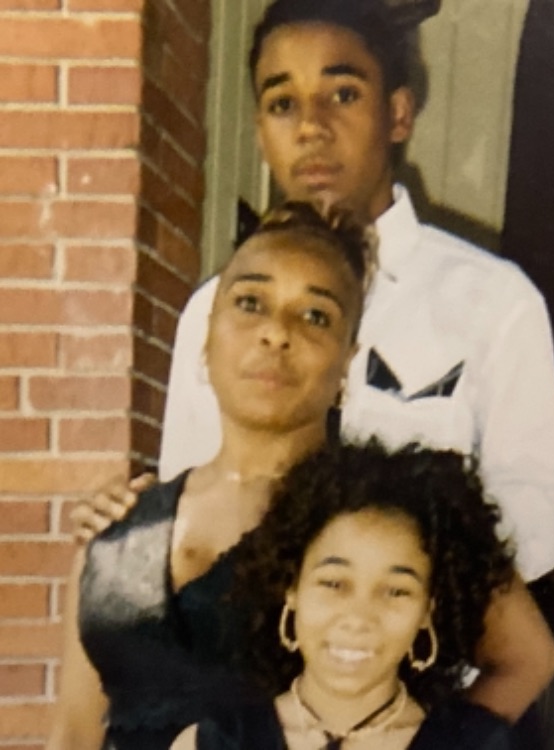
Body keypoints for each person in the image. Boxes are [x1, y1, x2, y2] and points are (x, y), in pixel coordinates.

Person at [155, 0, 554, 586]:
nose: (310, 127)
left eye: (342, 95)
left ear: (398, 114)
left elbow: (542, 499)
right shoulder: (218, 310)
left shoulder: (492, 301)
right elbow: (186, 491)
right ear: (260, 133)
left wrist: (421, 571)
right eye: (283, 103)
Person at [47, 202, 375, 750]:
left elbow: (522, 660)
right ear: (207, 339)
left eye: (316, 316)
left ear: (347, 362)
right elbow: (74, 731)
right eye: (250, 303)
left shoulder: (382, 516)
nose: (276, 332)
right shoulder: (123, 526)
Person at [171, 440, 521, 750]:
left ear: (427, 610)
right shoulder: (210, 744)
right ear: (292, 590)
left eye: (396, 591)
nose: (358, 618)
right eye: (334, 584)